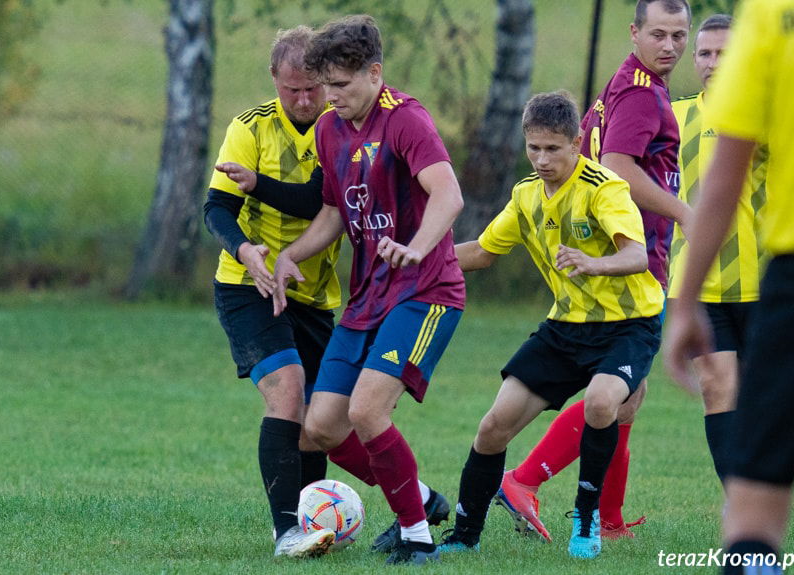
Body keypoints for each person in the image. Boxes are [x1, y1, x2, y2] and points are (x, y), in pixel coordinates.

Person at [270, 14, 466, 566]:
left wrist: (417, 247)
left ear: (375, 73)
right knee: (322, 426)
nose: (329, 97)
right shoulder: (332, 128)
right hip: (368, 298)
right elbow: (334, 209)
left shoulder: (407, 121)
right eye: (325, 85)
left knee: (368, 410)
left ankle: (417, 535)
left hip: (426, 291)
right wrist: (292, 254)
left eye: (341, 85)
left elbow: (448, 196)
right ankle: (422, 499)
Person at [494, 0, 691, 542]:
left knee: (629, 396)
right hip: (630, 257)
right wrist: (684, 213)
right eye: (659, 33)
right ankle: (523, 481)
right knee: (615, 396)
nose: (670, 45)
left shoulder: (621, 85)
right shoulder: (641, 95)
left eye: (679, 35)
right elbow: (619, 170)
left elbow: (592, 161)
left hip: (614, 253)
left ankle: (607, 519)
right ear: (634, 33)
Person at [436, 90, 664, 560]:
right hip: (564, 329)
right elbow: (481, 252)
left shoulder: (604, 188)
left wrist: (592, 263)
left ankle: (586, 521)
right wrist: (417, 261)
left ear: (577, 142)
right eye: (533, 147)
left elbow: (637, 255)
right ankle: (464, 537)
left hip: (628, 324)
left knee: (602, 403)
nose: (541, 159)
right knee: (493, 426)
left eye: (553, 149)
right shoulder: (525, 196)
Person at [665, 0, 794, 573]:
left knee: (755, 510)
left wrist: (683, 299)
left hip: (792, 274)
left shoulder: (775, 16)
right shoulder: (674, 112)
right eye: (704, 52)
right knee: (726, 396)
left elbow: (724, 177)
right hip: (764, 282)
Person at [202, 26, 342, 559]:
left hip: (312, 290)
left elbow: (317, 202)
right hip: (247, 285)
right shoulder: (250, 128)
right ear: (274, 82)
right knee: (288, 388)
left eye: (312, 88)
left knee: (324, 417)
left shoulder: (339, 125)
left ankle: (336, 517)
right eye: (292, 90)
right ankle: (288, 532)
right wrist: (246, 251)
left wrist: (258, 185)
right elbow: (216, 208)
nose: (303, 100)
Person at [668, 13, 768, 485]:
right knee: (715, 388)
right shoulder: (673, 117)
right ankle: (739, 502)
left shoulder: (772, 117)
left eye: (725, 53)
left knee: (769, 397)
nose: (713, 63)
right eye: (705, 53)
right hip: (701, 279)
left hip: (767, 278)